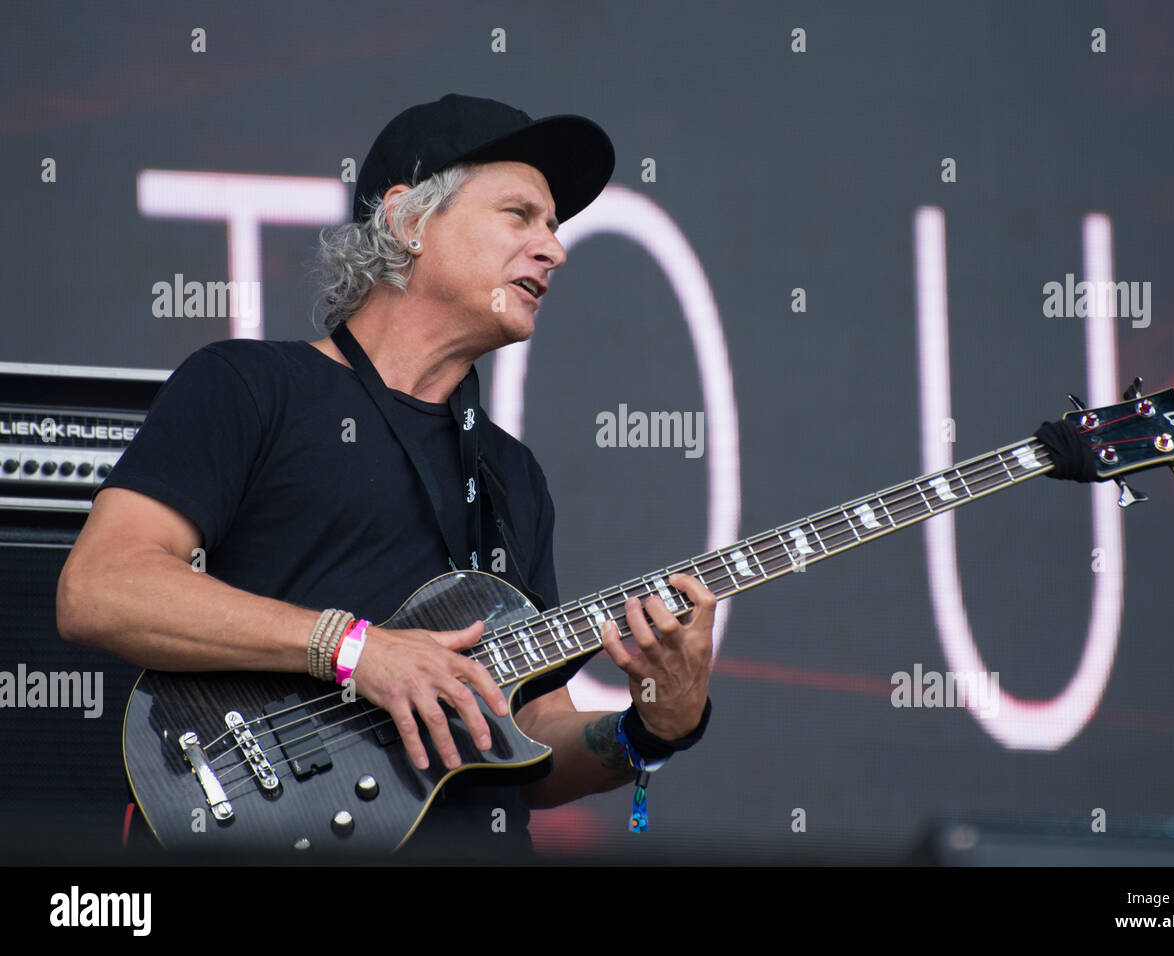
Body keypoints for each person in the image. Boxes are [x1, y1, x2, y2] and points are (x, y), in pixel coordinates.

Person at [55, 94, 716, 860]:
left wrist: (652, 728)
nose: (554, 249)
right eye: (520, 215)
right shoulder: (249, 386)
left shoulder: (513, 477)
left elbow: (525, 739)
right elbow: (99, 587)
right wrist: (353, 648)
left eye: (555, 226)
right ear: (407, 220)